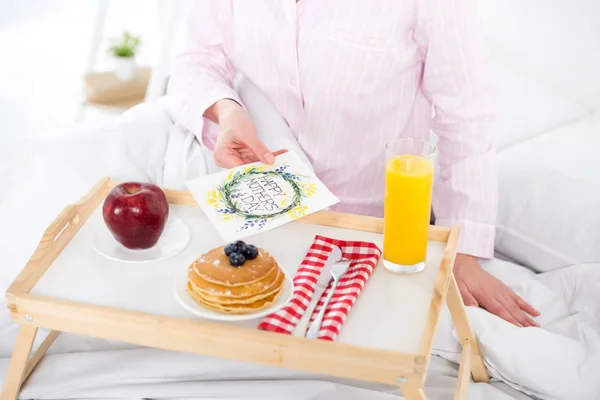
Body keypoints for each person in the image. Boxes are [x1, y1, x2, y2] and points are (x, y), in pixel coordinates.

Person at [165, 0, 540, 327]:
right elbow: (195, 61)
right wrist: (226, 110)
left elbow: (466, 115)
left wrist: (464, 252)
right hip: (255, 199)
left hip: (368, 231)